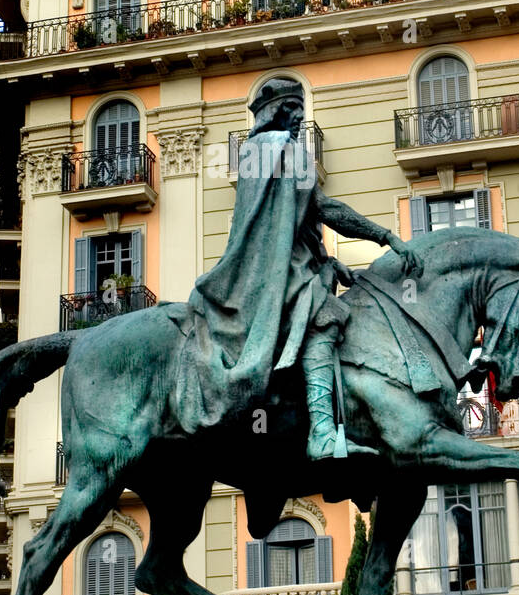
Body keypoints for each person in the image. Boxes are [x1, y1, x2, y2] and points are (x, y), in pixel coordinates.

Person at [169, 78, 420, 458]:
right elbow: (323, 208)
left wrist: (327, 261)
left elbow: (288, 225)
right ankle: (322, 432)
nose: (300, 119)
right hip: (275, 276)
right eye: (293, 111)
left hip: (275, 270)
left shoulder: (258, 152)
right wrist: (385, 236)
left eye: (302, 112)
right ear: (276, 112)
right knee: (323, 318)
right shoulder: (280, 149)